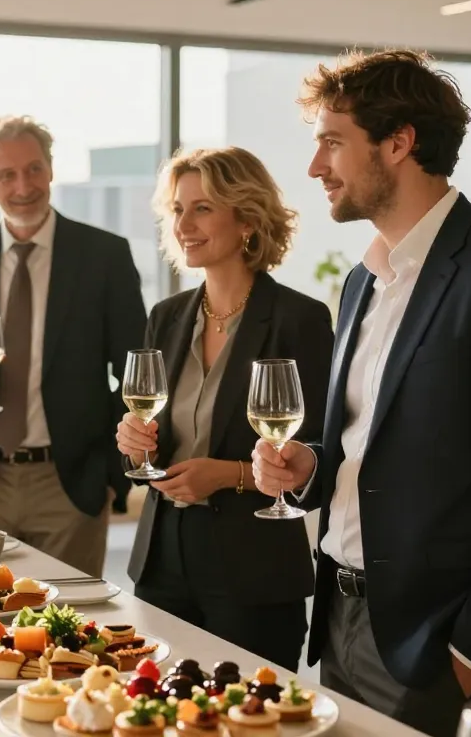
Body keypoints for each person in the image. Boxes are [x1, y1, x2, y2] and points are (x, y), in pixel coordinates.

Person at [251, 49, 471, 737]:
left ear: (399, 142)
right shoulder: (362, 280)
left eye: (332, 142)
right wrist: (309, 466)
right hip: (340, 620)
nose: (316, 166)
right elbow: (365, 444)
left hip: (438, 643)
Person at [116, 147, 333, 671]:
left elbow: (321, 451)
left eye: (203, 208)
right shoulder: (166, 317)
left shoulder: (299, 319)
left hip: (253, 571)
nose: (184, 224)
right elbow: (146, 435)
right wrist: (130, 440)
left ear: (247, 220)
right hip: (162, 562)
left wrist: (230, 476)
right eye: (177, 209)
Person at [0, 115, 147, 576]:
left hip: (70, 483)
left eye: (34, 169)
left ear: (51, 170)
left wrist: (108, 467)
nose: (23, 185)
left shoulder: (104, 256)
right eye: (7, 174)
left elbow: (136, 372)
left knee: (72, 628)